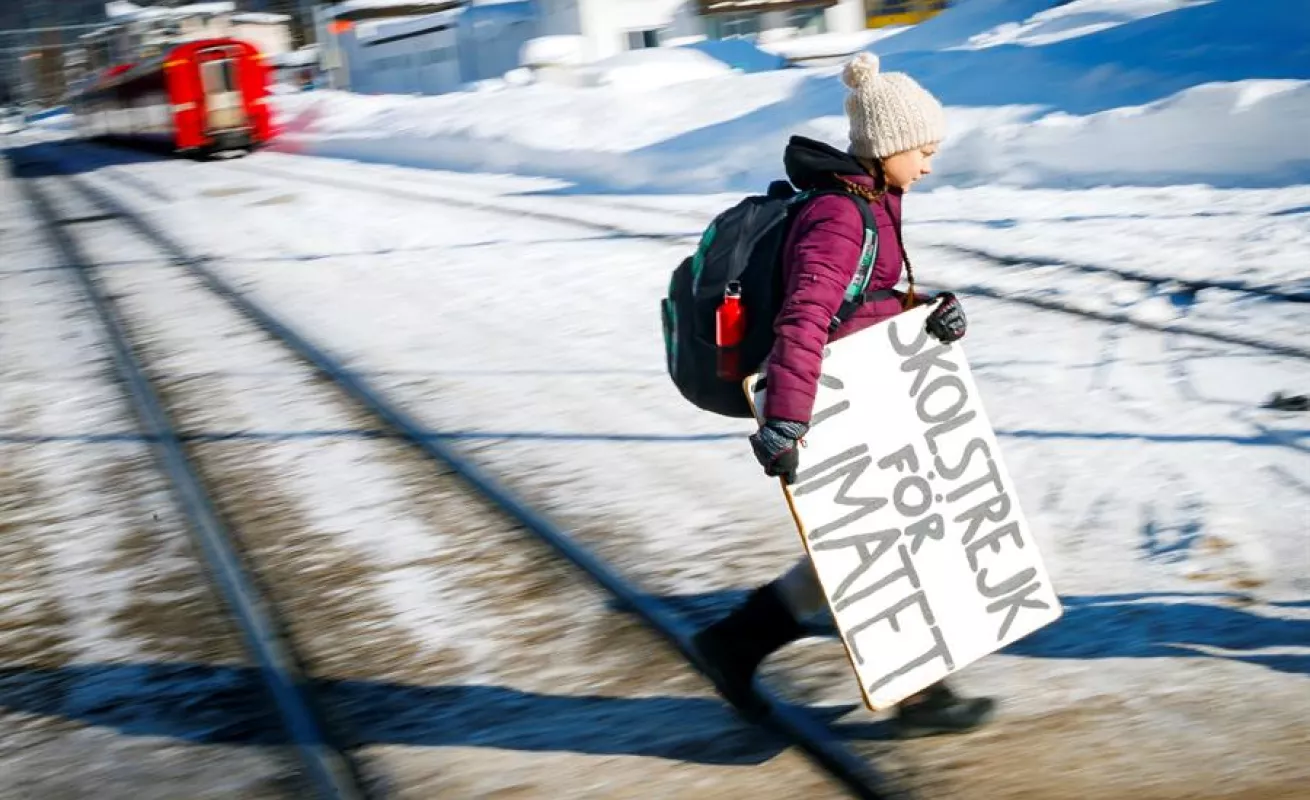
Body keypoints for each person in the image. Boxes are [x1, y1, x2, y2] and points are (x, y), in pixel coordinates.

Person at [691, 51, 994, 738]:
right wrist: (786, 423)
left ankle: (736, 643)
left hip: (867, 391)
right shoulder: (839, 217)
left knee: (863, 544)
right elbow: (804, 317)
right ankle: (920, 692)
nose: (930, 164)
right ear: (887, 147)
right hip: (831, 403)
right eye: (924, 149)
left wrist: (929, 311)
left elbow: (868, 301)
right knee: (893, 543)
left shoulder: (872, 206)